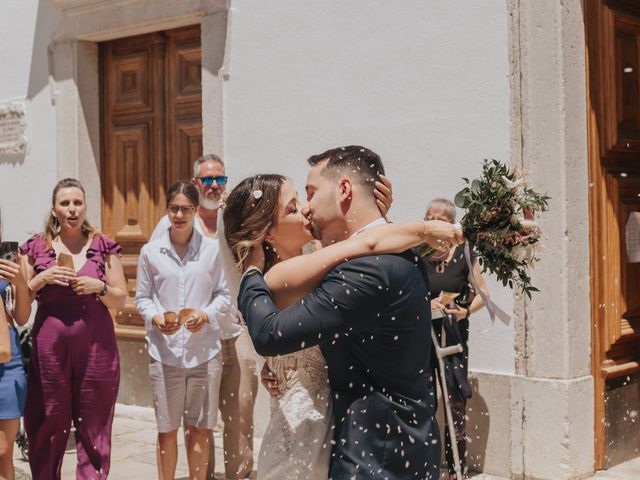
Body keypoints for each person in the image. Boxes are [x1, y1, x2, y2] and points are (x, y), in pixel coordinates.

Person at [229, 145, 464, 479]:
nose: (307, 208)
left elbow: (270, 333)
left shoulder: (365, 270)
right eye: (296, 204)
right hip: (377, 445)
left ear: (343, 190)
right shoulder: (391, 256)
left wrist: (252, 272)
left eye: (309, 194)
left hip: (374, 459)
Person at [150, 154, 257, 480]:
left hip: (235, 333)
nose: (214, 185)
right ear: (195, 184)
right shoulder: (175, 223)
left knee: (240, 416)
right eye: (207, 179)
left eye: (220, 179)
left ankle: (239, 476)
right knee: (198, 421)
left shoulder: (236, 220)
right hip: (194, 339)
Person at [19, 178, 127, 479]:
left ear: (85, 206)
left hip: (97, 350)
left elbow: (120, 298)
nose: (71, 209)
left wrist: (99, 286)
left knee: (94, 423)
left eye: (77, 202)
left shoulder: (103, 247)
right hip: (49, 348)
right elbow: (22, 310)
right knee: (48, 420)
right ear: (54, 209)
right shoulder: (35, 248)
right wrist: (41, 280)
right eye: (65, 203)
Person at [135, 180, 231, 480]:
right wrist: (155, 318)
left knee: (200, 427)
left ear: (195, 210)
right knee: (166, 429)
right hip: (164, 354)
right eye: (174, 209)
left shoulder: (213, 251)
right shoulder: (151, 252)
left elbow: (224, 295)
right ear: (167, 210)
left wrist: (205, 314)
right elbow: (142, 297)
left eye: (185, 209)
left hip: (204, 352)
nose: (179, 215)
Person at [424, 198, 488, 480]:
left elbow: (483, 295)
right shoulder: (418, 253)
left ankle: (454, 469)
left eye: (440, 218)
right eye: (430, 217)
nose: (434, 222)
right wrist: (425, 306)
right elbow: (406, 293)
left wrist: (463, 312)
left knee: (454, 403)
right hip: (422, 337)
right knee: (424, 401)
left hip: (453, 336)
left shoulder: (464, 252)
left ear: (451, 223)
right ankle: (425, 465)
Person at [0, 208, 30, 480]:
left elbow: (21, 316)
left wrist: (19, 279)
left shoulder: (8, 259)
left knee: (4, 453)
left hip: (8, 366)